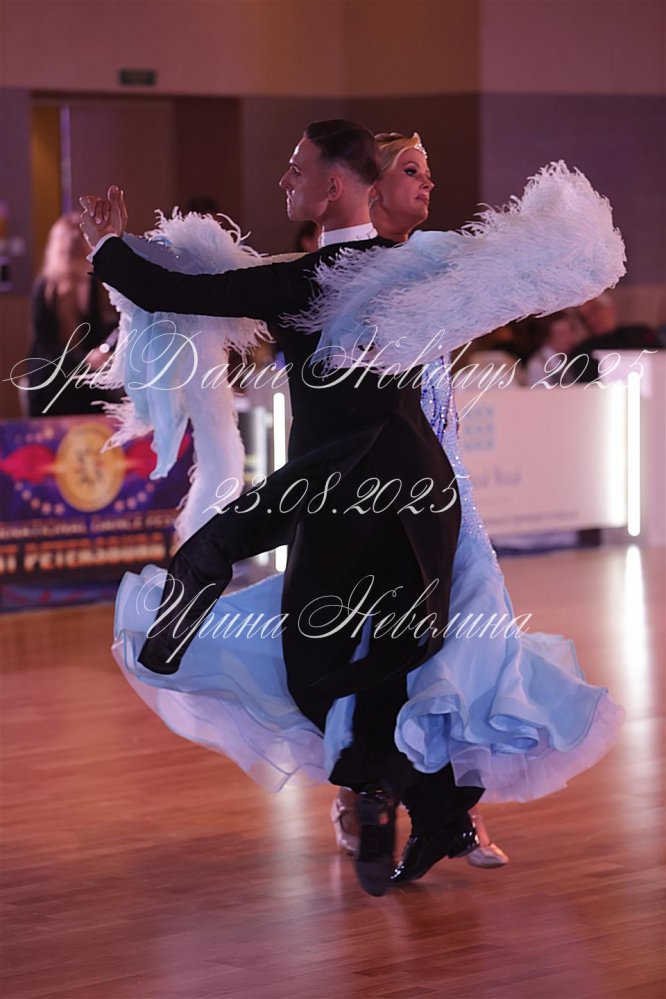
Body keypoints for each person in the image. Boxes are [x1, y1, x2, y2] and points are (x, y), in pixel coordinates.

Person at [81, 131, 624, 897]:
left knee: (323, 662)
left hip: (346, 492)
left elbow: (184, 292)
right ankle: (419, 806)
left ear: (334, 187)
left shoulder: (313, 278)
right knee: (396, 653)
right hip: (415, 492)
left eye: (296, 170)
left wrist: (106, 245)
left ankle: (384, 792)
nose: (284, 180)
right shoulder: (405, 266)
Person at [330, 131, 508, 870]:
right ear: (370, 187)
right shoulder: (351, 271)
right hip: (382, 492)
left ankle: (446, 810)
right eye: (412, 170)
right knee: (381, 644)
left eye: (429, 171)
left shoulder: (429, 263)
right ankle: (373, 797)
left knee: (465, 638)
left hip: (447, 484)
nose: (428, 183)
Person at [25, 212, 120, 417]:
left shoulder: (92, 284)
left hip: (85, 381)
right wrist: (84, 359)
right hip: (54, 381)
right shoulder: (47, 289)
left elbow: (96, 333)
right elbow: (42, 350)